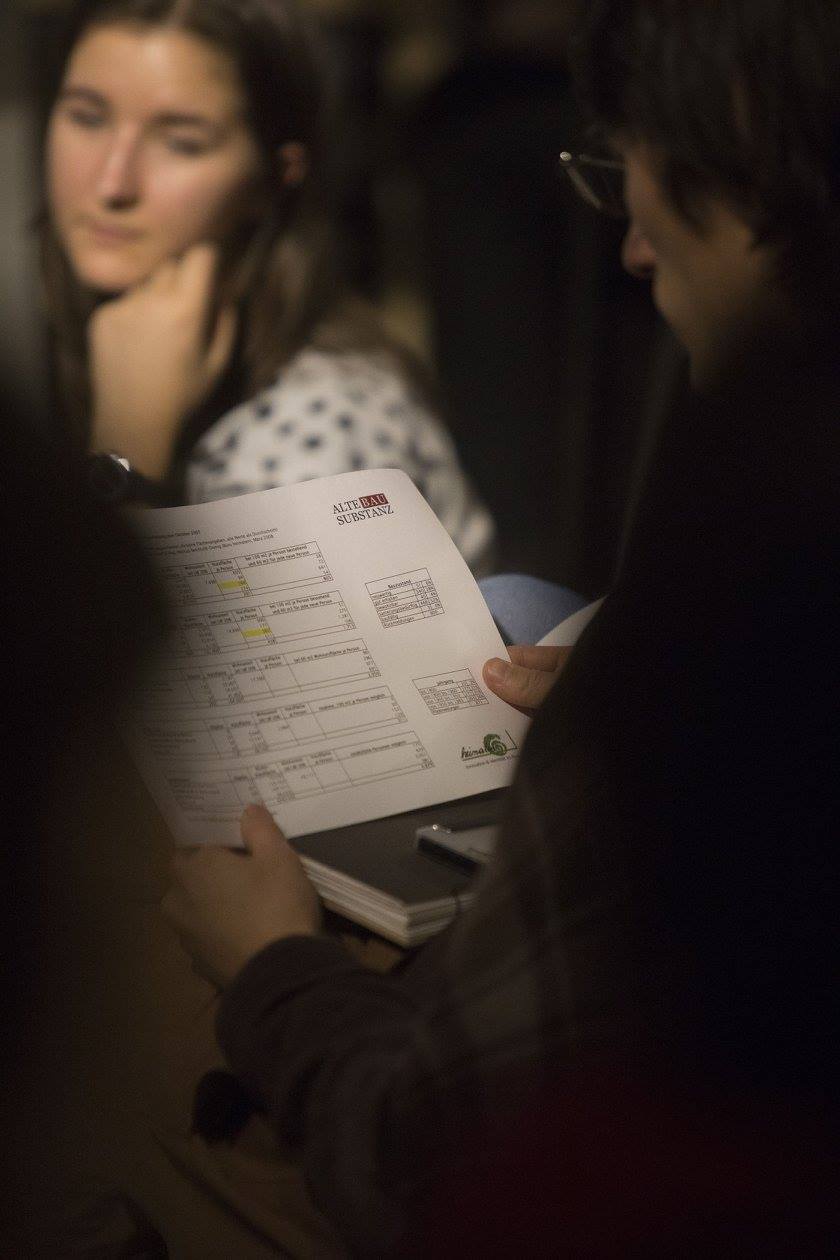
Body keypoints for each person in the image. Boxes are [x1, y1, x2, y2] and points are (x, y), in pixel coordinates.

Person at [161, 0, 840, 1254]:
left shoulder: (741, 570)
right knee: (521, 610)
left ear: (746, 166)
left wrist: (273, 974)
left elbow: (434, 1164)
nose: (631, 249)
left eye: (633, 174)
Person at [41, 0, 493, 569]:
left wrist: (125, 455)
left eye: (181, 142)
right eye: (87, 117)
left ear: (274, 178)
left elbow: (96, 627)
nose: (112, 183)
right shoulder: (75, 349)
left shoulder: (314, 429)